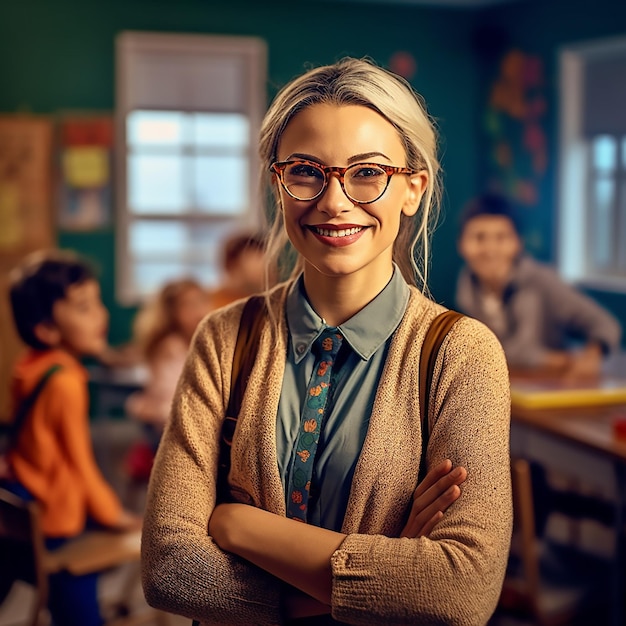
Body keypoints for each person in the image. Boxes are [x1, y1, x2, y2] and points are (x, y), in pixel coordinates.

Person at [141, 57, 512, 626]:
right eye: (307, 171)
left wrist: (237, 526)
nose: (335, 202)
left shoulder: (463, 353)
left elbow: (459, 592)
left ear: (412, 189)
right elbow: (170, 568)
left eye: (367, 172)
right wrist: (382, 579)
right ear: (278, 183)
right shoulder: (222, 339)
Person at [1, 249, 141, 626]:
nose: (102, 315)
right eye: (83, 308)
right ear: (47, 328)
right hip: (56, 519)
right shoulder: (67, 381)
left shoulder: (29, 366)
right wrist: (114, 514)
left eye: (97, 303)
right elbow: (80, 464)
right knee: (79, 609)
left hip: (21, 508)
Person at [456, 192, 622, 380]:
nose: (490, 249)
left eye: (501, 238)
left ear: (517, 243)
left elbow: (605, 324)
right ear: (462, 244)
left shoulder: (543, 282)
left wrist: (592, 355)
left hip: (551, 390)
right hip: (501, 391)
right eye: (479, 238)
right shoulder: (465, 291)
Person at [125, 277, 210, 440]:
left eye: (201, 302)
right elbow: (172, 402)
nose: (199, 311)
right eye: (188, 305)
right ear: (172, 313)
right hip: (171, 428)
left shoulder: (202, 341)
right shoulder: (171, 348)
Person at [207, 231, 269, 310]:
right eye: (256, 260)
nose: (265, 269)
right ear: (233, 267)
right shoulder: (211, 305)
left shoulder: (264, 302)